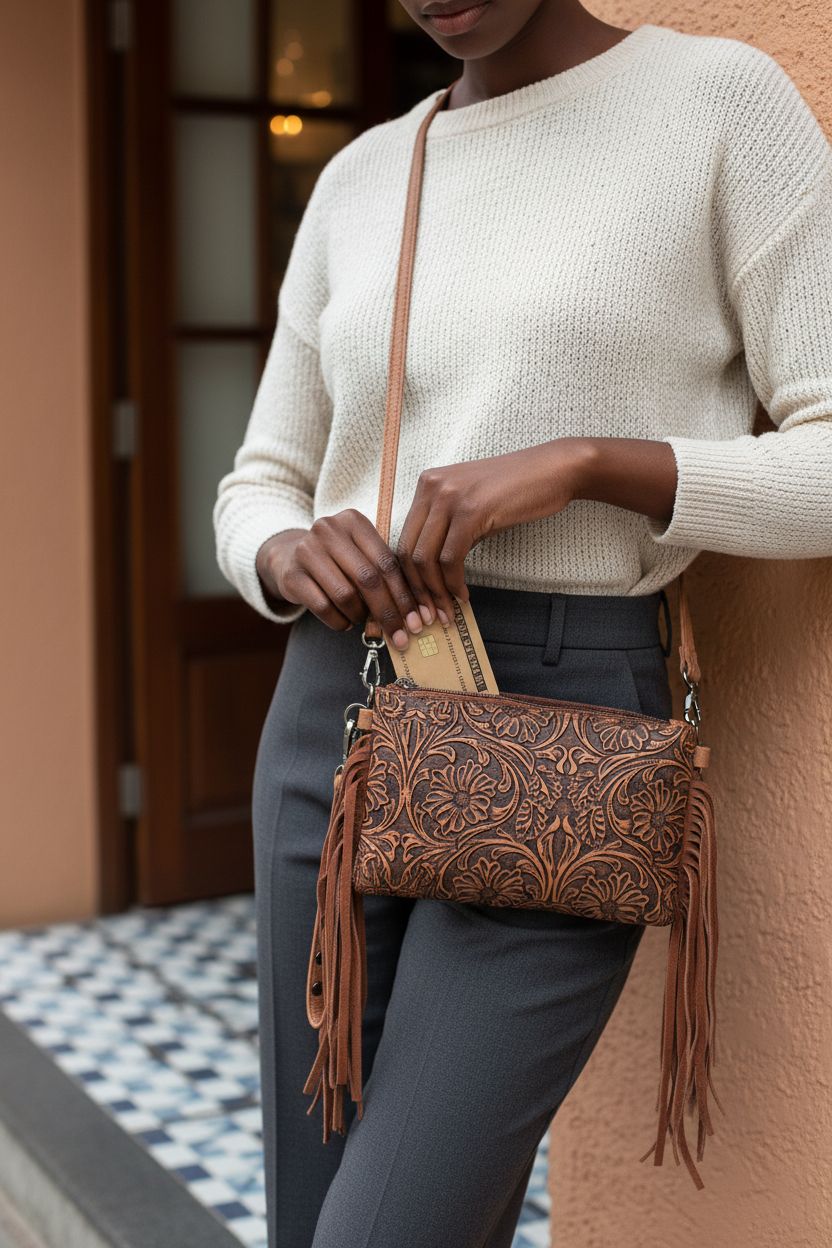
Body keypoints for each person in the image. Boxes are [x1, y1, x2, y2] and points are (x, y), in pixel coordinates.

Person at [213, 1, 832, 1244]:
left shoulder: (717, 105)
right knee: (312, 1207)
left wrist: (590, 461)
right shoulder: (363, 173)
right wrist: (284, 551)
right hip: (334, 708)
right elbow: (259, 477)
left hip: (562, 720)